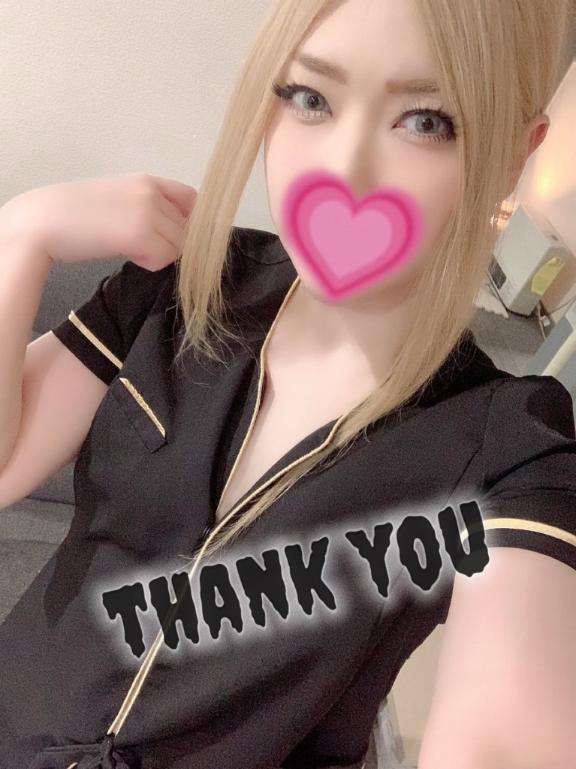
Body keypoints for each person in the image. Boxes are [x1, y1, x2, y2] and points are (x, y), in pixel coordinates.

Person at [0, 0, 574, 767]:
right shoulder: (186, 284)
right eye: (310, 98)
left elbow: (503, 736)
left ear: (511, 156)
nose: (344, 170)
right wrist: (20, 236)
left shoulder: (510, 448)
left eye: (427, 121)